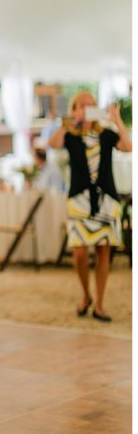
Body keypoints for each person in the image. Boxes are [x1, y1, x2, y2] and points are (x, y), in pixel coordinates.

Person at [48, 90, 132, 322]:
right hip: (79, 199)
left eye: (90, 105)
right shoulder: (71, 135)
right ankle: (85, 295)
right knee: (79, 252)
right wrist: (70, 122)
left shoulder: (105, 134)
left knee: (104, 250)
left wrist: (116, 120)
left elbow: (127, 147)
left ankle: (100, 304)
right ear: (75, 108)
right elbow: (52, 144)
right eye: (81, 105)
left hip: (106, 199)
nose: (86, 108)